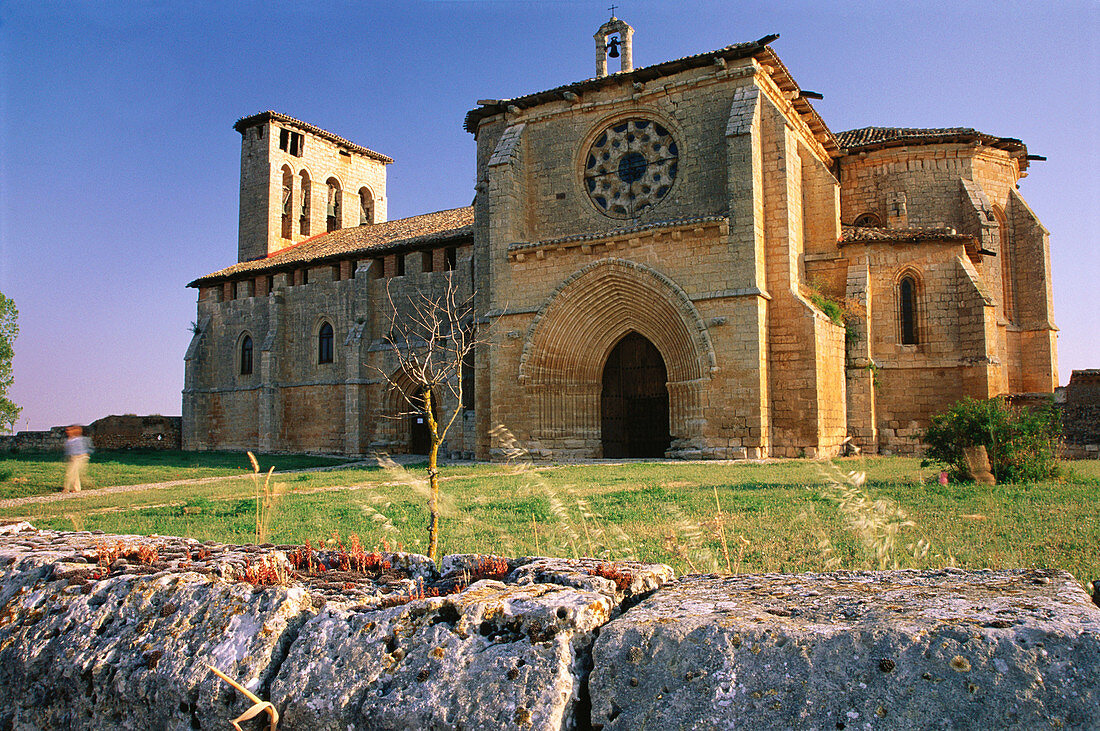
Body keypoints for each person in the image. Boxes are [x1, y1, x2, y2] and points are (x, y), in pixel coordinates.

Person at [63, 425, 93, 493]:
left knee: (71, 473)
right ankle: (75, 488)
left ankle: (68, 488)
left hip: (79, 458)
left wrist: (81, 456)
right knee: (74, 473)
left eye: (69, 430)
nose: (67, 432)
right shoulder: (70, 440)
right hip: (73, 458)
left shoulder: (79, 440)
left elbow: (83, 450)